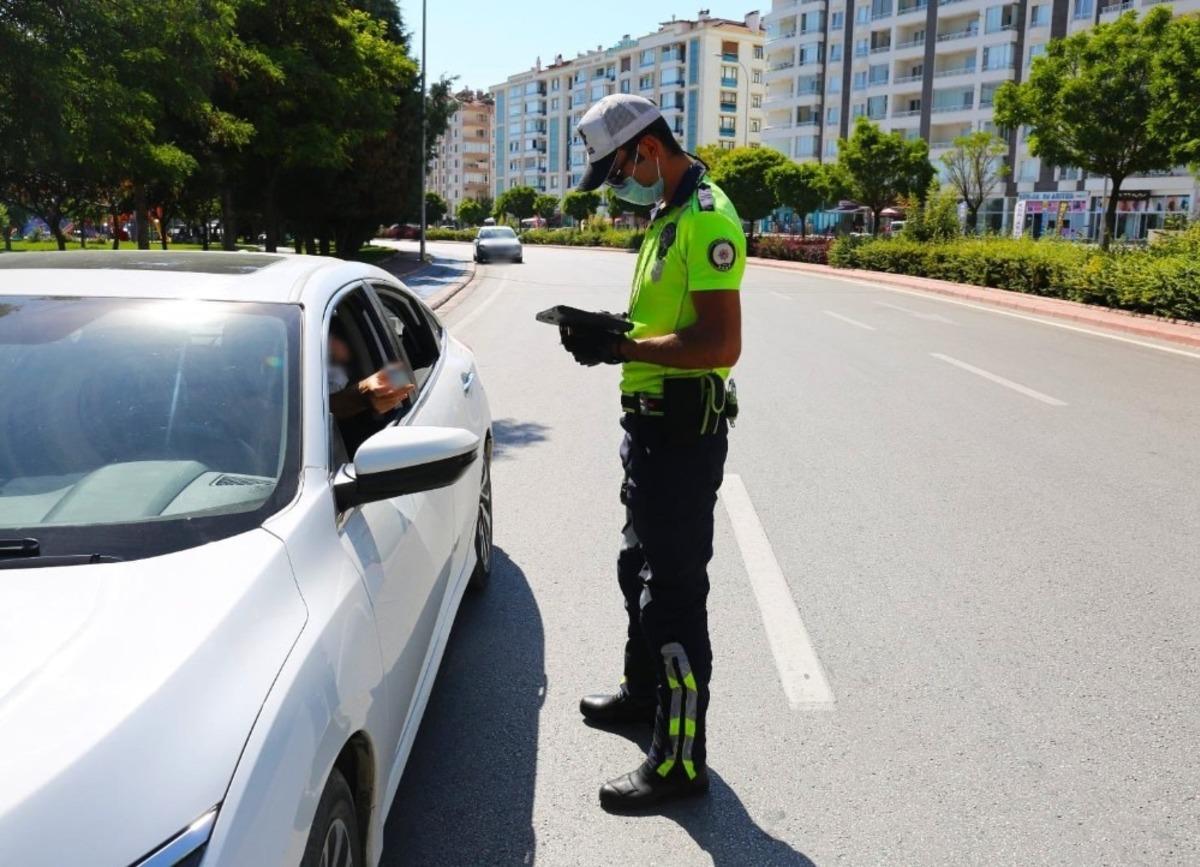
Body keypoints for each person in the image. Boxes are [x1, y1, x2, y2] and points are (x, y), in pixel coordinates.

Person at [558, 94, 744, 811]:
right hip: (647, 431)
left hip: (681, 436)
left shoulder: (707, 218)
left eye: (618, 171)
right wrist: (613, 331)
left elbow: (719, 342)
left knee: (672, 599)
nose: (618, 186)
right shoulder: (668, 215)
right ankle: (644, 696)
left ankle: (680, 761)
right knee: (634, 569)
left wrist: (623, 348)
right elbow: (663, 319)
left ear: (648, 149)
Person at [327, 332, 413, 420]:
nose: (339, 346)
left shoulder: (338, 375)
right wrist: (362, 395)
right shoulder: (335, 376)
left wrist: (365, 394)